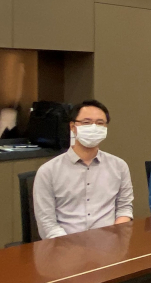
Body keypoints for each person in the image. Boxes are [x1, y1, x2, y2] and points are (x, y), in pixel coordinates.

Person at [33, 100, 133, 239]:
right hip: (64, 245)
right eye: (86, 122)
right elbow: (47, 224)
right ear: (73, 127)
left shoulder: (119, 166)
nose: (94, 127)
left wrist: (116, 237)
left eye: (100, 123)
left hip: (109, 243)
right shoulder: (48, 171)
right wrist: (70, 247)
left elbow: (124, 208)